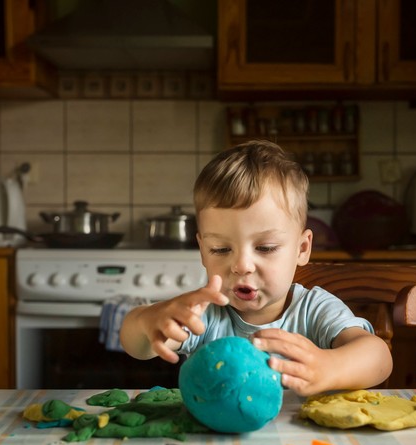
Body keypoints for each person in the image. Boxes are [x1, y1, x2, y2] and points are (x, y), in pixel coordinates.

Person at [120, 140, 392, 396]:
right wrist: (149, 321)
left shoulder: (315, 310)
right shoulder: (203, 316)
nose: (241, 265)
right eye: (221, 249)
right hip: (216, 442)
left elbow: (379, 357)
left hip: (302, 441)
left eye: (265, 248)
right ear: (203, 251)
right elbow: (135, 344)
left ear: (302, 249)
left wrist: (329, 366)